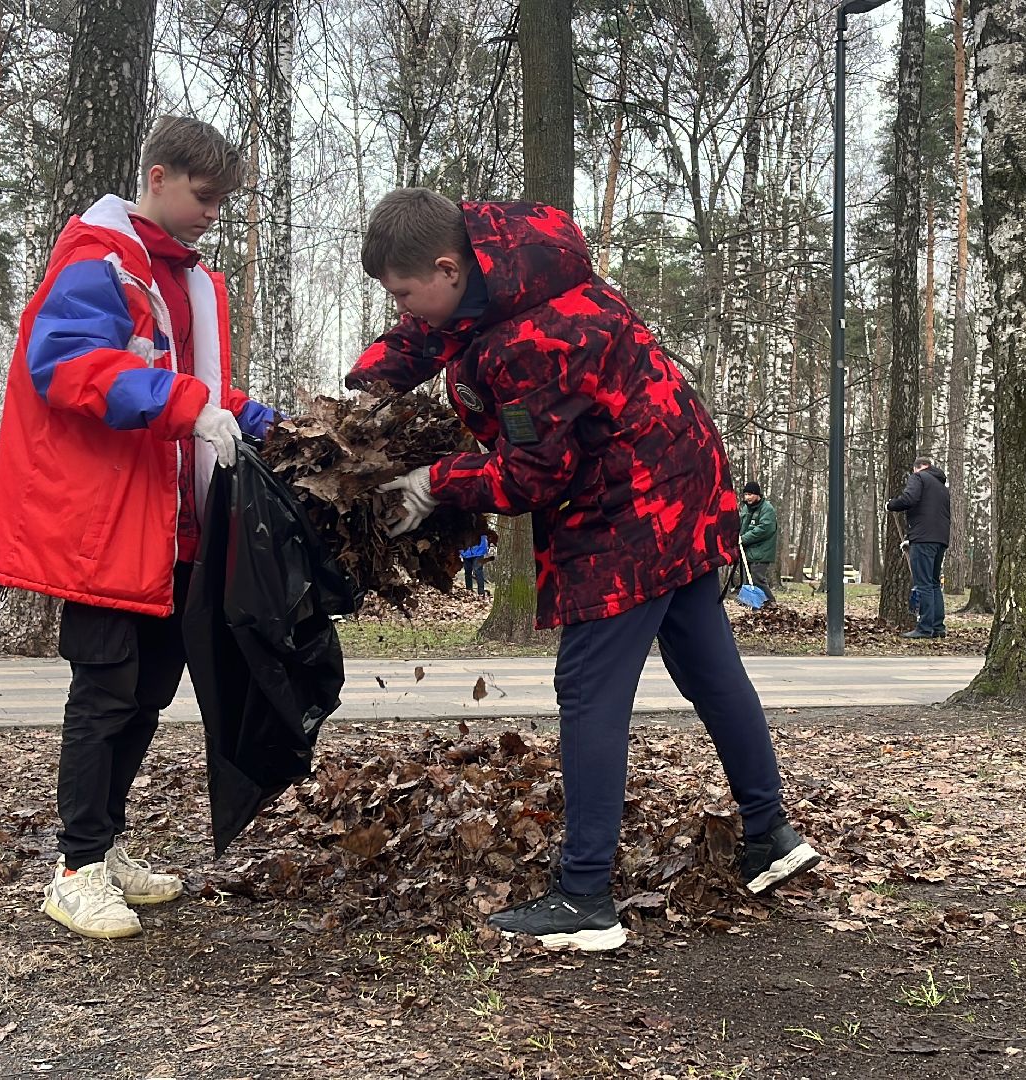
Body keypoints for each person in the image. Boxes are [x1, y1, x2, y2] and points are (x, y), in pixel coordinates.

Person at [349, 188, 821, 952]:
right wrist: (370, 385)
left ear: (446, 266)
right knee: (707, 662)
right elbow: (431, 330)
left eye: (406, 294)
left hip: (633, 508)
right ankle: (771, 833)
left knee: (589, 689)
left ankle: (586, 897)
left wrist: (437, 481)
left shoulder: (535, 339)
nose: (407, 309)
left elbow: (534, 473)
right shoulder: (507, 263)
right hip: (686, 478)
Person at [0, 117, 281, 940]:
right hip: (109, 530)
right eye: (205, 196)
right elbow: (69, 368)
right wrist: (193, 407)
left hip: (172, 529)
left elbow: (197, 387)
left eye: (223, 201)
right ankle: (74, 869)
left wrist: (262, 422)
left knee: (146, 696)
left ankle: (104, 850)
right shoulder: (98, 261)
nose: (214, 213)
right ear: (157, 176)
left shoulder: (177, 277)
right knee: (106, 695)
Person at [886, 457, 951, 639]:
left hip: (923, 539)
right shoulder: (942, 488)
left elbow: (910, 499)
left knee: (922, 583)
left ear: (918, 468)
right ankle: (938, 627)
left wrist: (891, 505)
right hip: (940, 539)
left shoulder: (919, 478)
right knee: (934, 583)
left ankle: (924, 628)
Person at [738, 481, 779, 596]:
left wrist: (743, 538)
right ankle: (756, 607)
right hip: (748, 551)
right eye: (745, 494)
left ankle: (771, 604)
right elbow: (741, 526)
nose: (747, 497)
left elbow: (764, 529)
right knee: (749, 581)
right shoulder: (746, 508)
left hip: (761, 552)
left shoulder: (767, 509)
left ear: (757, 494)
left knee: (757, 579)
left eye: (750, 494)